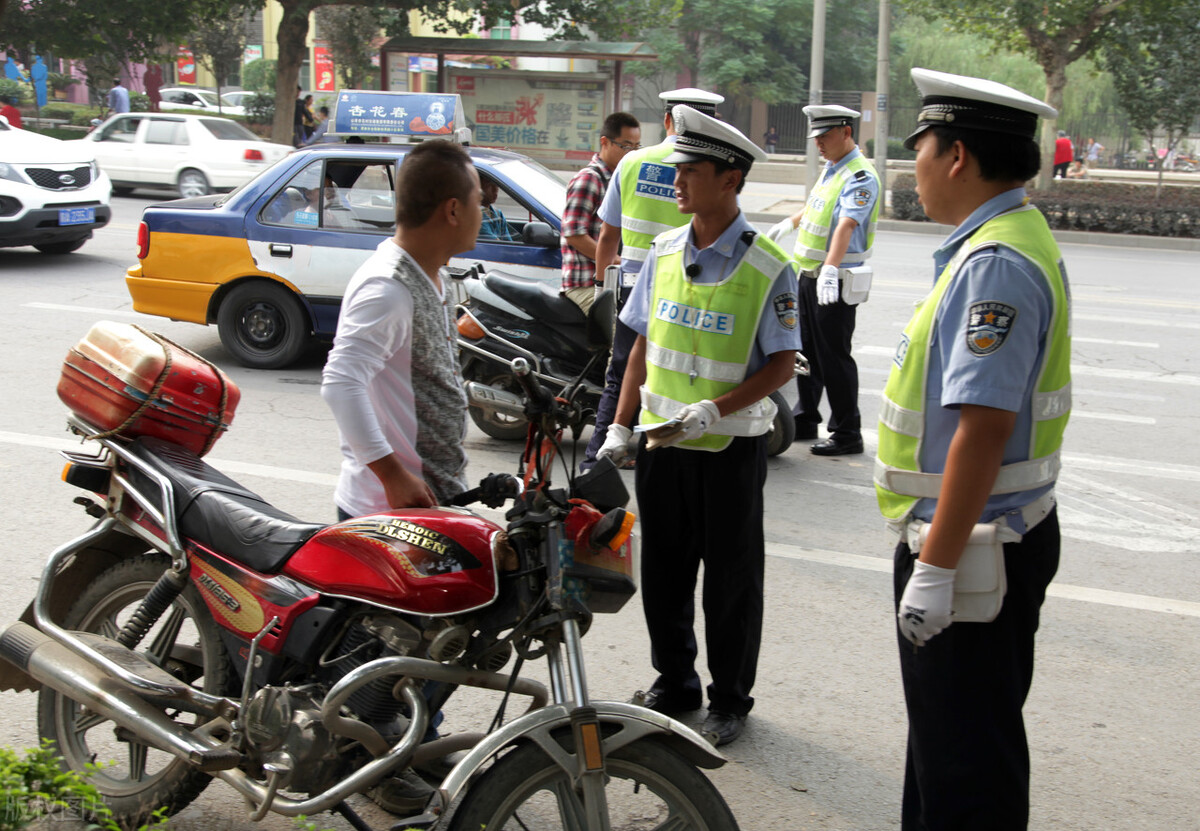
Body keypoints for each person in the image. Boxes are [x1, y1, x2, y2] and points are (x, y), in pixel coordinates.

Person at [878, 67, 1071, 830]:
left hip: (972, 549)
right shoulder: (1000, 240)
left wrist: (936, 568)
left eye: (918, 147)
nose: (912, 165)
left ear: (956, 155)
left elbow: (982, 430)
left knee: (966, 771)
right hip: (975, 539)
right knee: (947, 748)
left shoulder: (994, 261)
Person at [597, 105, 800, 747]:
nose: (676, 181)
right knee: (664, 571)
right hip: (662, 444)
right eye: (677, 168)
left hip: (726, 448)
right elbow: (641, 346)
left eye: (691, 171)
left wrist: (719, 407)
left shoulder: (768, 266)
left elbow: (780, 363)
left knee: (732, 580)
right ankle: (675, 681)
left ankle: (731, 698)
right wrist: (620, 426)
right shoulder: (660, 253)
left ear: (730, 179)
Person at [321, 139, 479, 518]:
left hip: (430, 502)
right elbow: (341, 383)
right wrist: (392, 476)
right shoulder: (388, 287)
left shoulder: (431, 274)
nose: (484, 213)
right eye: (479, 202)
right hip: (388, 512)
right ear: (453, 210)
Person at [581, 87, 725, 470]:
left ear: (666, 120)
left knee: (622, 372)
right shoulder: (711, 172)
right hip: (687, 294)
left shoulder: (631, 163)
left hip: (632, 287)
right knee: (673, 375)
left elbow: (608, 236)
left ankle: (596, 460)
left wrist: (600, 287)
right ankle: (653, 451)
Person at [767, 105, 879, 456]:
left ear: (846, 132)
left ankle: (847, 431)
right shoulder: (833, 169)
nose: (819, 143)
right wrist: (789, 223)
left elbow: (847, 224)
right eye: (815, 137)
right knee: (806, 353)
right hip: (808, 275)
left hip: (835, 279)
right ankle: (806, 416)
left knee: (834, 357)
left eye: (825, 136)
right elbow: (816, 207)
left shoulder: (860, 176)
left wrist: (829, 270)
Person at [560, 111, 641, 314]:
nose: (631, 152)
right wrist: (616, 261)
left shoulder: (620, 179)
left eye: (636, 146)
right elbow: (575, 236)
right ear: (605, 142)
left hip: (612, 283)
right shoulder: (590, 179)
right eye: (625, 146)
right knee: (619, 338)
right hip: (585, 284)